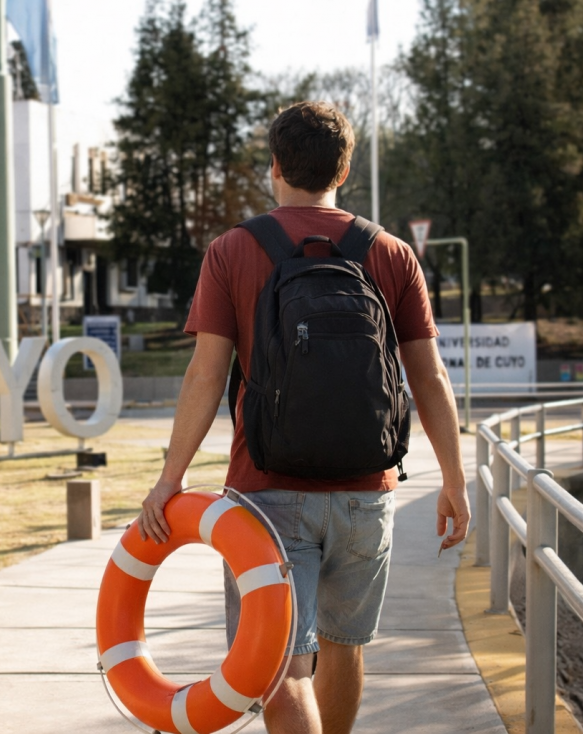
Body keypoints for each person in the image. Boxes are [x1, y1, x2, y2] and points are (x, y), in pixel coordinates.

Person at [137, 101, 470, 734]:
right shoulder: (392, 253)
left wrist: (170, 479)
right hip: (367, 492)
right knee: (345, 647)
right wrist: (452, 480)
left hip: (267, 492)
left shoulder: (232, 251)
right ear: (343, 169)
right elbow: (429, 377)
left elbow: (205, 374)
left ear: (275, 166)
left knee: (279, 666)